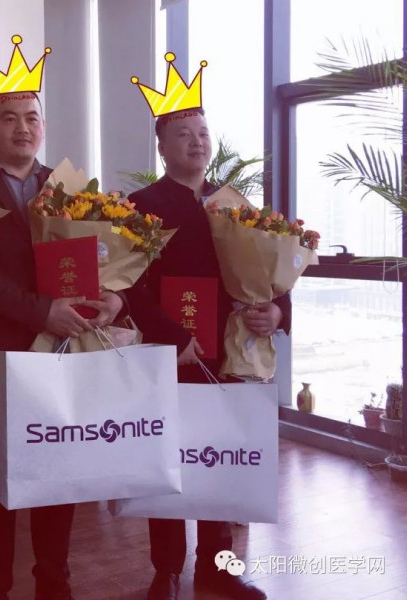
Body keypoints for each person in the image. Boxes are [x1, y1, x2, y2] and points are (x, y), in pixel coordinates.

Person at [0, 91, 125, 599]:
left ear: (43, 126)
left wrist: (116, 299)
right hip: (1, 353)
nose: (22, 128)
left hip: (64, 352)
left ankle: (54, 582)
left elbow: (102, 260)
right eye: (9, 118)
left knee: (57, 473)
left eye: (31, 118)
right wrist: (40, 310)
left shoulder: (67, 188)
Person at [126, 108, 287, 600]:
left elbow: (270, 275)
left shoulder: (233, 205)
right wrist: (171, 336)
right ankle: (166, 570)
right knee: (168, 460)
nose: (196, 142)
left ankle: (219, 567)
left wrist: (276, 313)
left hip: (228, 349)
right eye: (183, 134)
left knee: (221, 458)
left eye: (202, 133)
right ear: (162, 147)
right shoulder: (140, 205)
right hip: (168, 350)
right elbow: (129, 285)